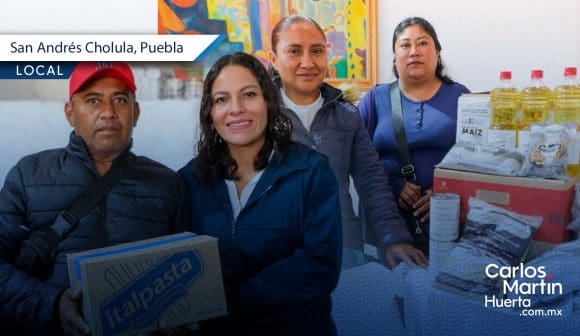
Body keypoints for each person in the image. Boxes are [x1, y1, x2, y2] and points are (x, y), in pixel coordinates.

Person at [0, 62, 188, 335]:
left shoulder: (169, 184)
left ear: (135, 113)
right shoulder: (28, 175)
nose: (108, 112)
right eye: (92, 100)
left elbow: (184, 272)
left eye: (120, 100)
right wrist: (51, 305)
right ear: (70, 113)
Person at [179, 52, 341, 335]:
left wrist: (230, 304)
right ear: (210, 112)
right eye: (221, 99)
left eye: (249, 94)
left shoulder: (311, 171)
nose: (236, 108)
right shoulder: (189, 180)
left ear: (268, 101)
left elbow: (319, 264)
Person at [268, 14, 427, 268]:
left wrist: (394, 239)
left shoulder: (346, 116)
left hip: (342, 252)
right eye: (294, 51)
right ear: (274, 59)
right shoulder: (255, 117)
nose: (307, 62)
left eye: (317, 51)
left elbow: (372, 181)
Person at [358, 17, 471, 254]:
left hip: (448, 217)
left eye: (422, 43)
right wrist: (393, 185)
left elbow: (479, 160)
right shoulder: (374, 100)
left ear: (437, 52)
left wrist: (446, 191)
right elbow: (358, 160)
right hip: (389, 217)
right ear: (394, 55)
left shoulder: (463, 97)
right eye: (405, 45)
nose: (414, 52)